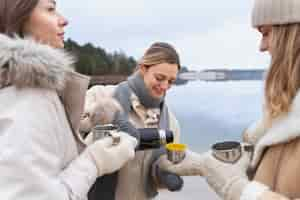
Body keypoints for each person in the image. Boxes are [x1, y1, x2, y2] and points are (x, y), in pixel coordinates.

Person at [158, 0, 300, 199]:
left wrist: (236, 188)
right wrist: (204, 165)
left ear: (293, 33)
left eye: (265, 33)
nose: (261, 46)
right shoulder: (284, 118)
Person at [0, 0, 137, 200]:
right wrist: (94, 161)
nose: (64, 20)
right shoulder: (29, 95)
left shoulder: (19, 87)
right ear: (18, 17)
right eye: (50, 9)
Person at [81, 42, 183, 200]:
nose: (164, 86)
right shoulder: (101, 94)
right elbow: (73, 127)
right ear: (143, 69)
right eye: (160, 78)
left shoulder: (170, 123)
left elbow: (154, 182)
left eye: (170, 81)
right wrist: (110, 115)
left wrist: (166, 175)